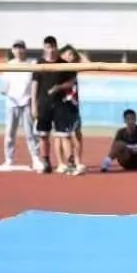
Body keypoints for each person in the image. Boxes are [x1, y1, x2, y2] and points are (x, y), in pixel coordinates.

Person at [31, 36, 85, 175]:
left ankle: (70, 164)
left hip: (60, 105)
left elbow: (72, 81)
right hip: (43, 104)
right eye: (48, 47)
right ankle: (46, 162)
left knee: (64, 135)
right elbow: (34, 84)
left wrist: (59, 87)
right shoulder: (39, 64)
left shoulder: (64, 64)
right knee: (43, 135)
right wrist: (33, 105)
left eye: (53, 47)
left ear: (56, 47)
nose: (50, 50)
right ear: (44, 48)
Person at [0, 39, 44, 172]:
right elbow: (5, 84)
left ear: (25, 49)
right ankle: (9, 159)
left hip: (27, 102)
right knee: (9, 132)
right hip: (12, 102)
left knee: (30, 133)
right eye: (16, 48)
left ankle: (36, 158)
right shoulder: (9, 65)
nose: (18, 50)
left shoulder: (32, 63)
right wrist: (4, 90)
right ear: (12, 50)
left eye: (21, 47)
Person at [59, 44, 87, 167]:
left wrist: (78, 53)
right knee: (61, 135)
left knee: (77, 133)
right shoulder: (57, 67)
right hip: (60, 106)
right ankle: (63, 162)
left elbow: (88, 64)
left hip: (74, 106)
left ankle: (77, 160)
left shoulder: (74, 68)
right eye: (68, 54)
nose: (71, 57)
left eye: (72, 55)